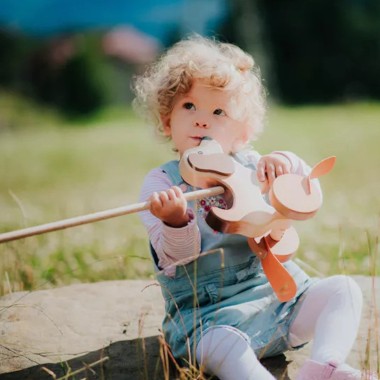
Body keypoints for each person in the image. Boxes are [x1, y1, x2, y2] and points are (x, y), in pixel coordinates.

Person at [134, 35, 375, 380]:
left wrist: (286, 163)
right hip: (210, 319)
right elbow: (177, 259)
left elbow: (305, 190)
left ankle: (326, 365)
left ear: (243, 132)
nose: (202, 121)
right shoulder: (161, 185)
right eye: (189, 106)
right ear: (167, 119)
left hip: (278, 302)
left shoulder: (251, 164)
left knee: (344, 290)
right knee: (223, 347)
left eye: (218, 112)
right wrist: (175, 221)